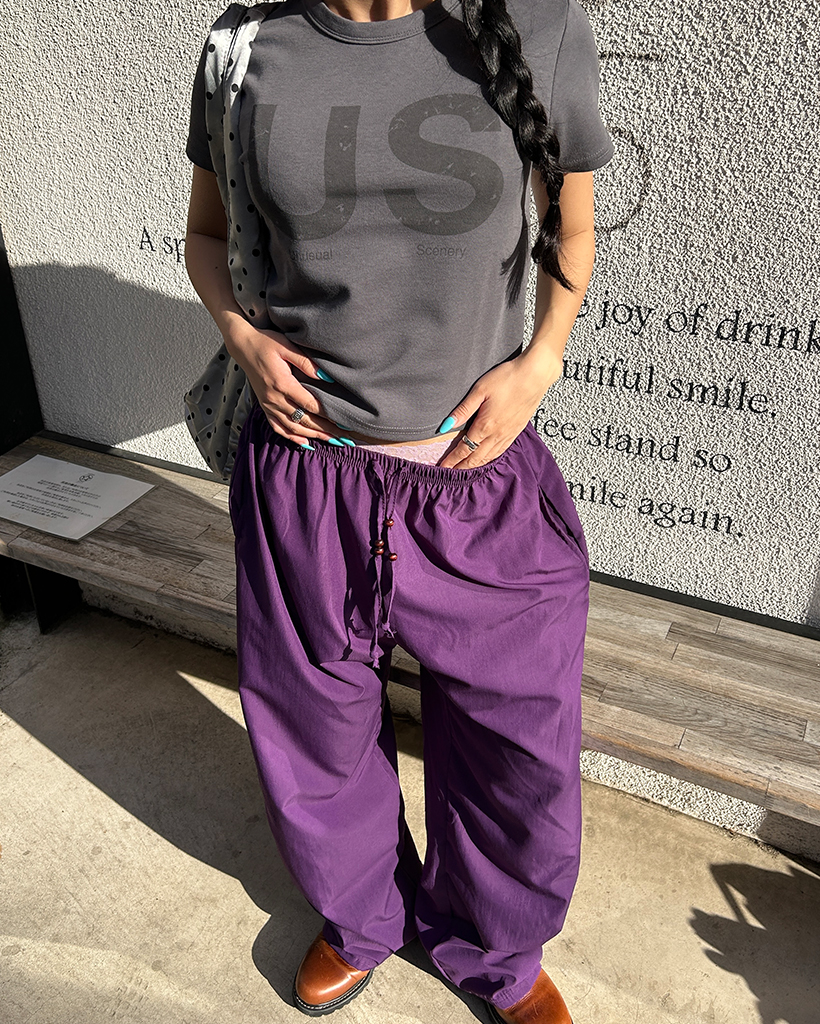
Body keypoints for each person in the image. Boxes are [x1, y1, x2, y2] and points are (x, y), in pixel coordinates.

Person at [184, 0, 613, 1020]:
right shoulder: (246, 45)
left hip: (478, 488)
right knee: (316, 737)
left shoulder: (535, 27)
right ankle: (363, 918)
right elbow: (205, 235)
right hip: (304, 484)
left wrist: (541, 362)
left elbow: (573, 225)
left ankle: (496, 951)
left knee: (517, 750)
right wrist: (244, 339)